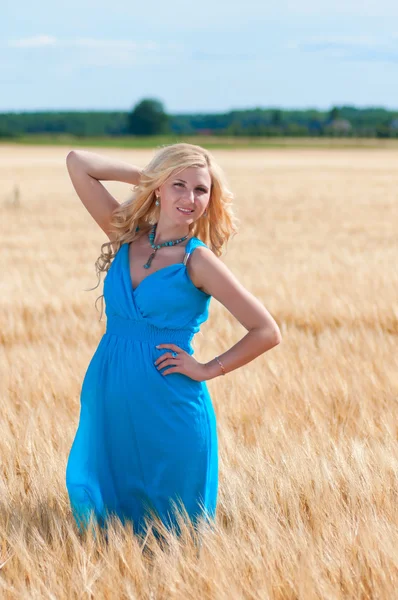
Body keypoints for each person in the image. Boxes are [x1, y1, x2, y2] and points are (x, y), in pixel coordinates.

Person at [65, 142, 282, 545]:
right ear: (159, 188)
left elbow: (266, 330)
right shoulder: (126, 236)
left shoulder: (197, 261)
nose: (190, 198)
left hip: (170, 405)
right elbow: (78, 163)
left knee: (173, 536)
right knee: (103, 515)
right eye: (179, 185)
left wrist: (205, 369)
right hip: (109, 392)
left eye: (202, 190)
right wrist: (150, 178)